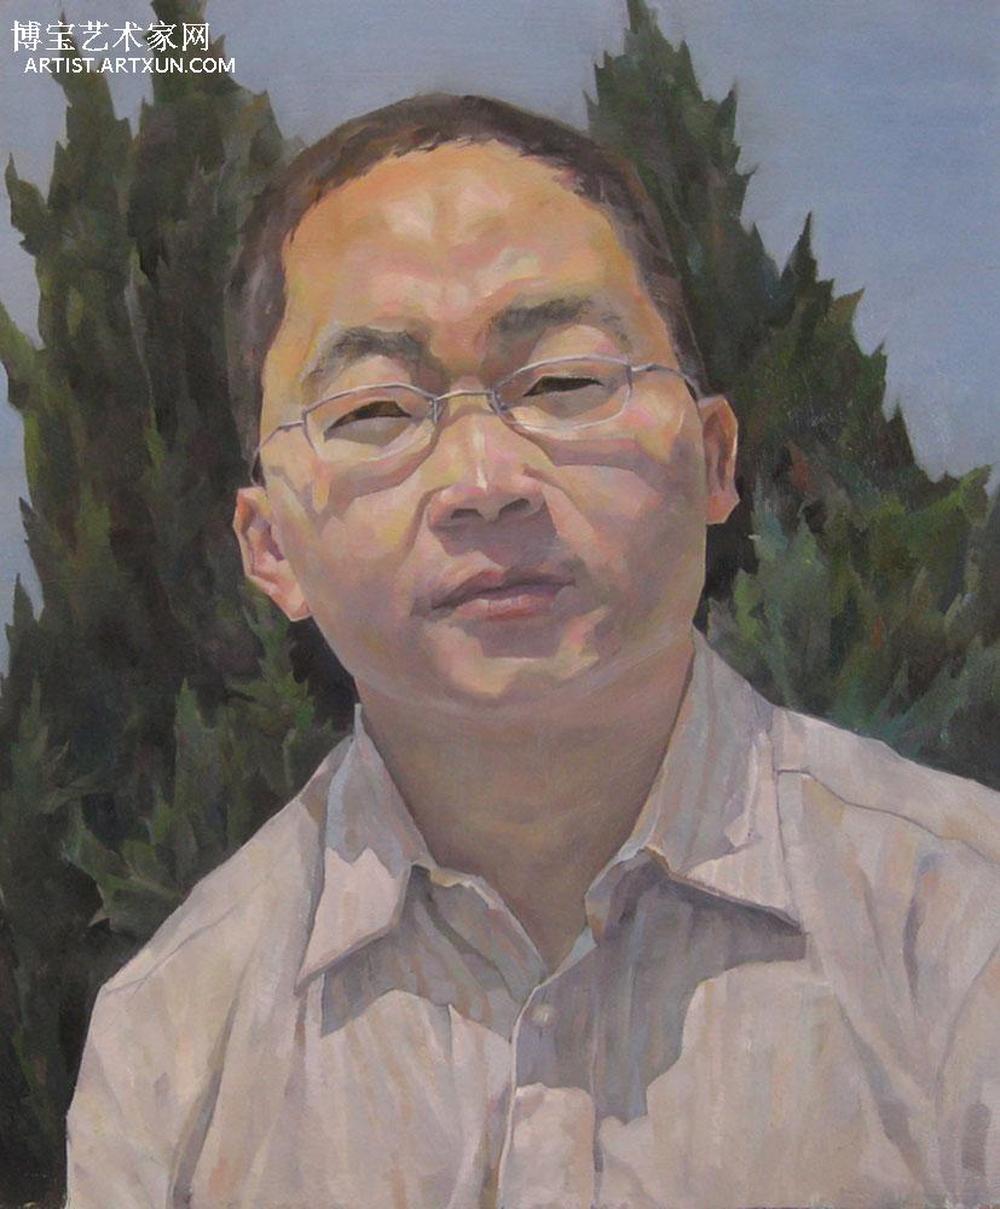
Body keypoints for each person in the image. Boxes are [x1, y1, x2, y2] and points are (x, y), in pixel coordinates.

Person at [66, 94, 1000, 1208]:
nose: (484, 481)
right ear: (270, 546)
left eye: (562, 383)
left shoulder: (961, 927)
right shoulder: (171, 1041)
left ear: (713, 458)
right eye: (374, 412)